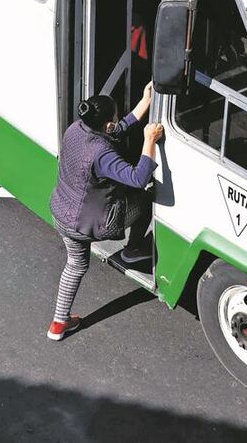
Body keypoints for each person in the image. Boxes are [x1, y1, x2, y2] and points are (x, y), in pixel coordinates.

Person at [46, 83, 163, 340]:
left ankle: (59, 322)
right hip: (90, 224)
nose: (118, 121)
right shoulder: (101, 154)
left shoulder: (75, 129)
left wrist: (145, 102)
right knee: (144, 198)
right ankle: (132, 251)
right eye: (116, 117)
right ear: (107, 124)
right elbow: (138, 177)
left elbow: (115, 131)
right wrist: (149, 139)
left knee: (75, 266)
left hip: (62, 213)